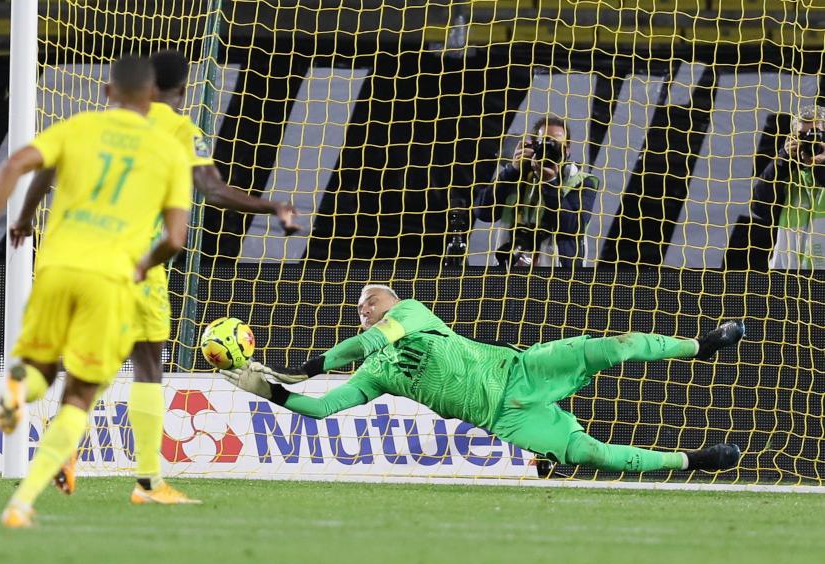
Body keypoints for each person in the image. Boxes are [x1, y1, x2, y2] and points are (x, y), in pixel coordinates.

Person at [18, 50, 298, 503]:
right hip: (142, 266)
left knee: (101, 360)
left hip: (91, 259)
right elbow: (213, 191)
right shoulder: (180, 129)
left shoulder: (112, 124)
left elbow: (53, 167)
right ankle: (147, 480)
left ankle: (64, 440)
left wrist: (27, 219)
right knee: (147, 366)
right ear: (184, 90)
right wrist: (272, 207)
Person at [0, 55, 193, 527]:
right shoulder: (169, 148)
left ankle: (18, 390)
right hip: (110, 277)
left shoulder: (78, 127)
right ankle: (21, 504)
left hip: (57, 265)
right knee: (82, 393)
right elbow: (176, 238)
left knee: (40, 368)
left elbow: (18, 166)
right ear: (153, 99)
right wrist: (143, 265)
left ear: (107, 93)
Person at [220, 285, 744, 476]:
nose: (367, 310)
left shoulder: (413, 315)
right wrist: (274, 391)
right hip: (506, 416)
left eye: (374, 301)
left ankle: (701, 344)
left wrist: (305, 368)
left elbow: (365, 343)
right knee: (592, 455)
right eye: (361, 308)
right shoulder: (377, 375)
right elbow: (323, 409)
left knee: (615, 347)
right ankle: (693, 461)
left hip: (521, 367)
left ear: (394, 302)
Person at [473, 115, 598, 269]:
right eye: (544, 143)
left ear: (567, 150)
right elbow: (483, 212)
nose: (549, 149)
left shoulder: (582, 181)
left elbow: (572, 227)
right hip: (511, 266)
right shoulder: (518, 175)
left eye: (555, 144)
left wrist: (549, 183)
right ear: (533, 146)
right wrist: (512, 171)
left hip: (558, 276)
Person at [750, 104, 825, 269]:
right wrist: (782, 160)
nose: (810, 141)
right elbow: (759, 207)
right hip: (786, 275)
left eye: (817, 135)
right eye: (803, 136)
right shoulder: (788, 174)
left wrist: (819, 165)